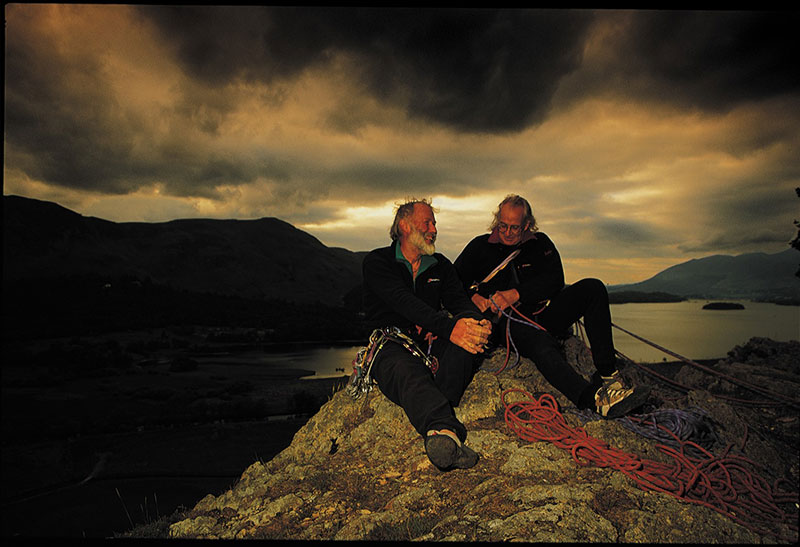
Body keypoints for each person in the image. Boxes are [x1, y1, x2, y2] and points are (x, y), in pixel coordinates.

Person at [454, 194, 650, 419]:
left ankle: (608, 375)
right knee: (541, 342)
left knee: (593, 288)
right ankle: (593, 400)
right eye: (503, 226)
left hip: (542, 312)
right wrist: (473, 296)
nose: (507, 233)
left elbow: (555, 280)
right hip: (507, 324)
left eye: (514, 228)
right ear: (497, 221)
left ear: (527, 225)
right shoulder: (479, 247)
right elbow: (453, 280)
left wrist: (517, 293)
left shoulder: (540, 244)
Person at [361, 198, 492, 471]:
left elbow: (460, 303)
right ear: (404, 226)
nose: (434, 229)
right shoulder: (378, 262)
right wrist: (446, 326)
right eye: (427, 222)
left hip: (429, 343)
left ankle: (432, 410)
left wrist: (478, 324)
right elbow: (402, 301)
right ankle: (444, 431)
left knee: (465, 344)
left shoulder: (441, 266)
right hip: (392, 344)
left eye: (434, 223)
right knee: (404, 368)